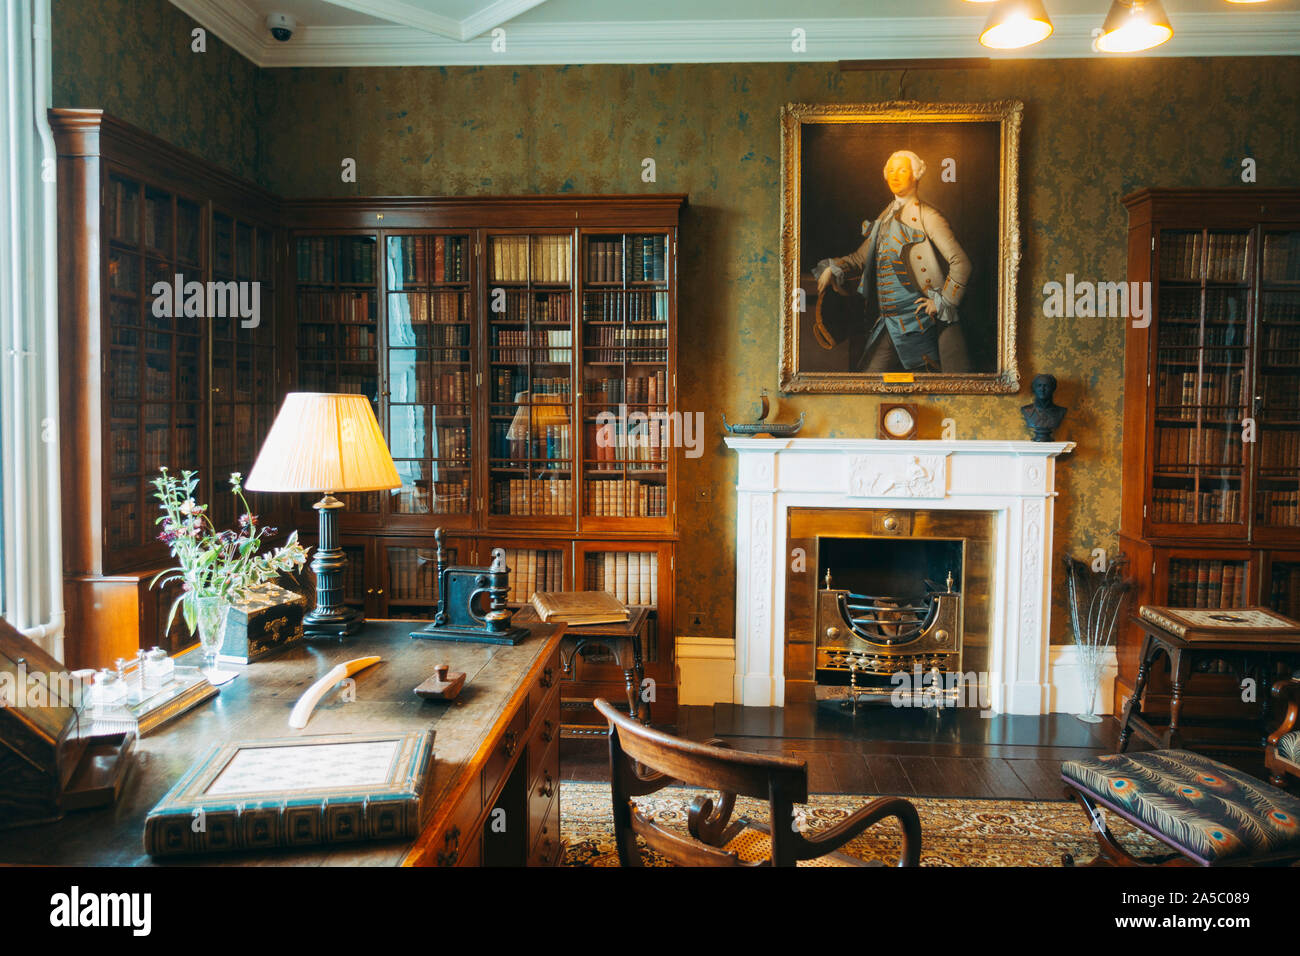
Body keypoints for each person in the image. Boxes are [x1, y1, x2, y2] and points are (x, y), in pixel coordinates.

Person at [816, 150, 972, 373]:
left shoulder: (928, 216)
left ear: (916, 175)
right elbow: (860, 258)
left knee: (931, 389)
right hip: (889, 322)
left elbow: (961, 263)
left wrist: (942, 301)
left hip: (924, 324)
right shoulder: (885, 217)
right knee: (869, 382)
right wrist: (833, 268)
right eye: (891, 170)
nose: (895, 175)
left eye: (902, 169)